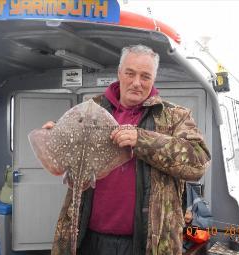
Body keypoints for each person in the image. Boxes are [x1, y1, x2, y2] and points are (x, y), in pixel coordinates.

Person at [43, 44, 211, 255]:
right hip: (86, 237)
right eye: (130, 73)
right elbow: (67, 161)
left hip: (149, 243)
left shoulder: (175, 116)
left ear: (154, 79)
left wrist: (142, 140)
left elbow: (198, 162)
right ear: (119, 73)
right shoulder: (91, 108)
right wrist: (56, 137)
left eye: (145, 76)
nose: (136, 83)